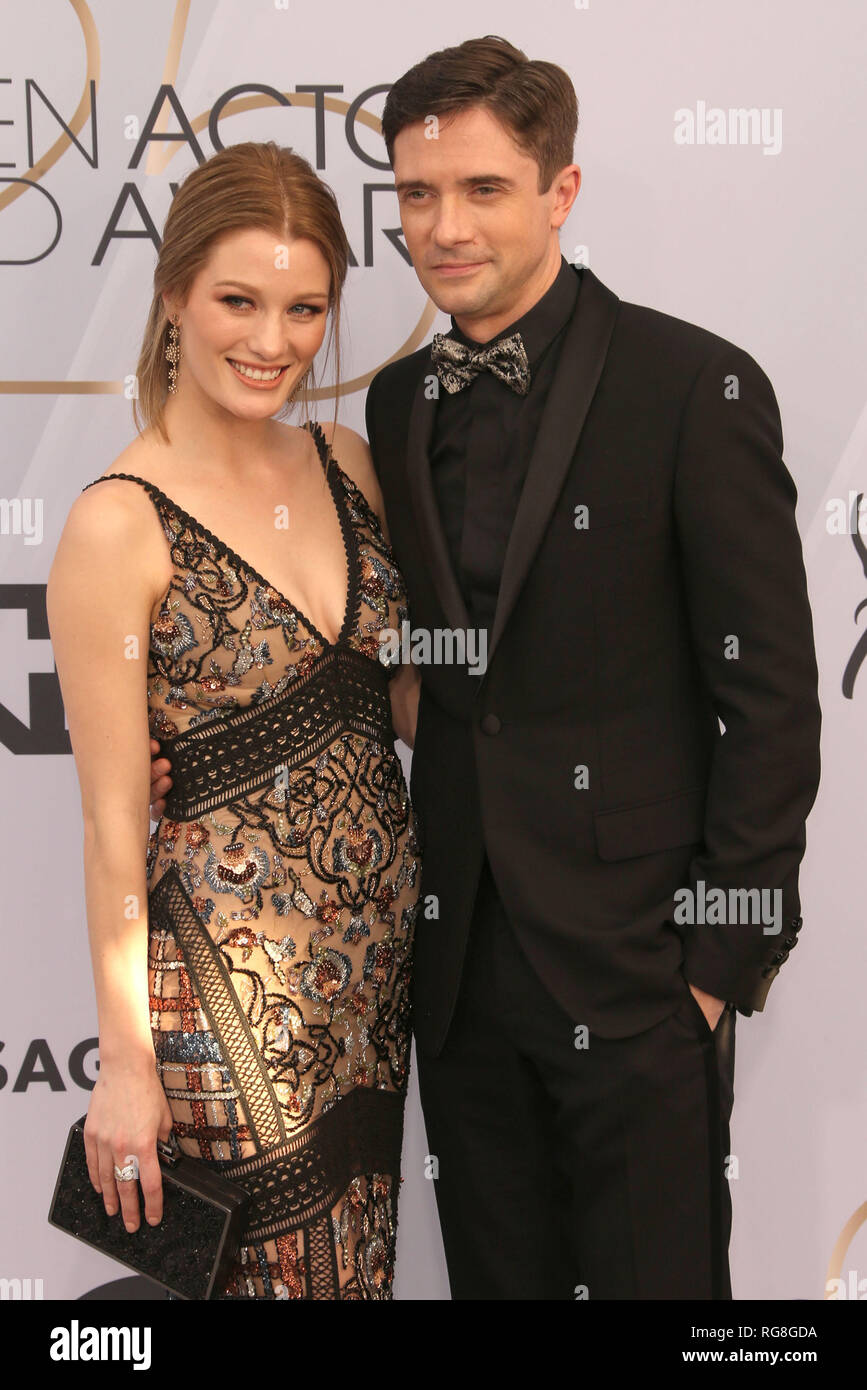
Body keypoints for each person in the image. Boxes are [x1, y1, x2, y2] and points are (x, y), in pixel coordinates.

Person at [150, 38, 821, 1300]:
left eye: (483, 190)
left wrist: (714, 974)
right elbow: (392, 660)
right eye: (416, 195)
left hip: (638, 976)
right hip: (453, 976)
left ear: (560, 193)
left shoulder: (694, 385)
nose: (444, 227)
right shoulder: (397, 408)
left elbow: (773, 703)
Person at [47, 140, 421, 1300]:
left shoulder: (347, 460)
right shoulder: (119, 522)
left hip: (372, 972)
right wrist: (124, 1065)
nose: (273, 341)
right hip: (228, 988)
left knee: (354, 1271)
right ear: (174, 296)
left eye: (305, 307)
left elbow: (400, 703)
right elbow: (115, 823)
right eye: (239, 302)